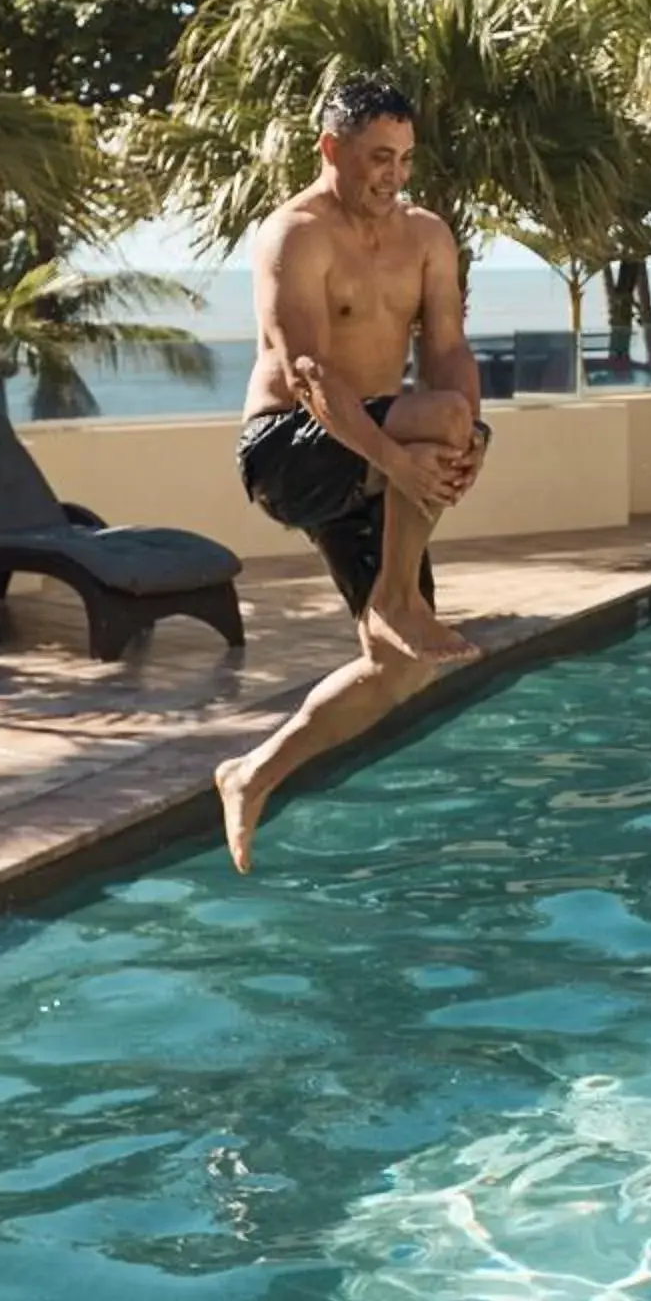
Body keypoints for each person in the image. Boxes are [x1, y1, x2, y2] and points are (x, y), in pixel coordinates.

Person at [219, 76, 491, 873]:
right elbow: (306, 371)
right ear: (330, 149)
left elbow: (448, 351)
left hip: (375, 452)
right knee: (437, 421)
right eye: (378, 157)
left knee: (400, 672)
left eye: (405, 160)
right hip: (289, 448)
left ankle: (250, 774)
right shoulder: (294, 235)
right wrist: (401, 460)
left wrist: (465, 434)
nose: (393, 176)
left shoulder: (429, 236)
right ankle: (397, 599)